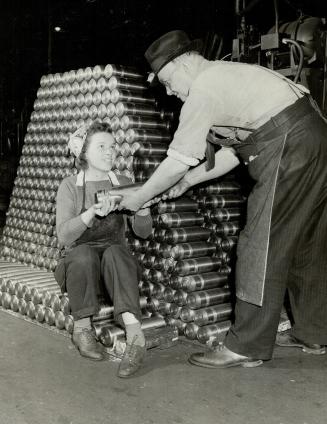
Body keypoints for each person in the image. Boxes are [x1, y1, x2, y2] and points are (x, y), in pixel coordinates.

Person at [118, 30, 327, 368]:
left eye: (169, 81)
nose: (170, 91)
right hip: (314, 137)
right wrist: (188, 181)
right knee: (306, 241)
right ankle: (315, 331)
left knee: (259, 244)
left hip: (289, 147)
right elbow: (238, 150)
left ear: (184, 63)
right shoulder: (227, 77)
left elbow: (177, 159)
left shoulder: (203, 88)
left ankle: (245, 346)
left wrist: (140, 197)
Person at [55, 121, 152, 378]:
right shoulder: (69, 186)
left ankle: (135, 339)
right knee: (83, 254)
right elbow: (64, 235)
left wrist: (143, 210)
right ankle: (83, 329)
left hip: (113, 265)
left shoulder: (122, 181)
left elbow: (143, 232)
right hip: (80, 267)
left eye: (112, 146)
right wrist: (89, 214)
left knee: (117, 253)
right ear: (84, 153)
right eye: (101, 147)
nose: (110, 152)